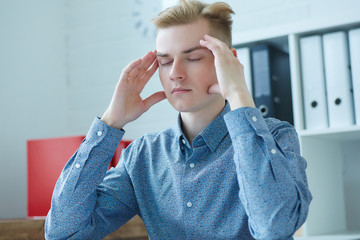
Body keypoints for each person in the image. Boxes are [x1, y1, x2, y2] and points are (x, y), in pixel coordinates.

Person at [45, 0, 312, 239]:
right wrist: (111, 121)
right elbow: (62, 231)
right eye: (164, 62)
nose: (175, 73)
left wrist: (239, 94)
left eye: (193, 58)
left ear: (228, 61)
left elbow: (274, 227)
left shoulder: (276, 136)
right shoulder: (143, 156)